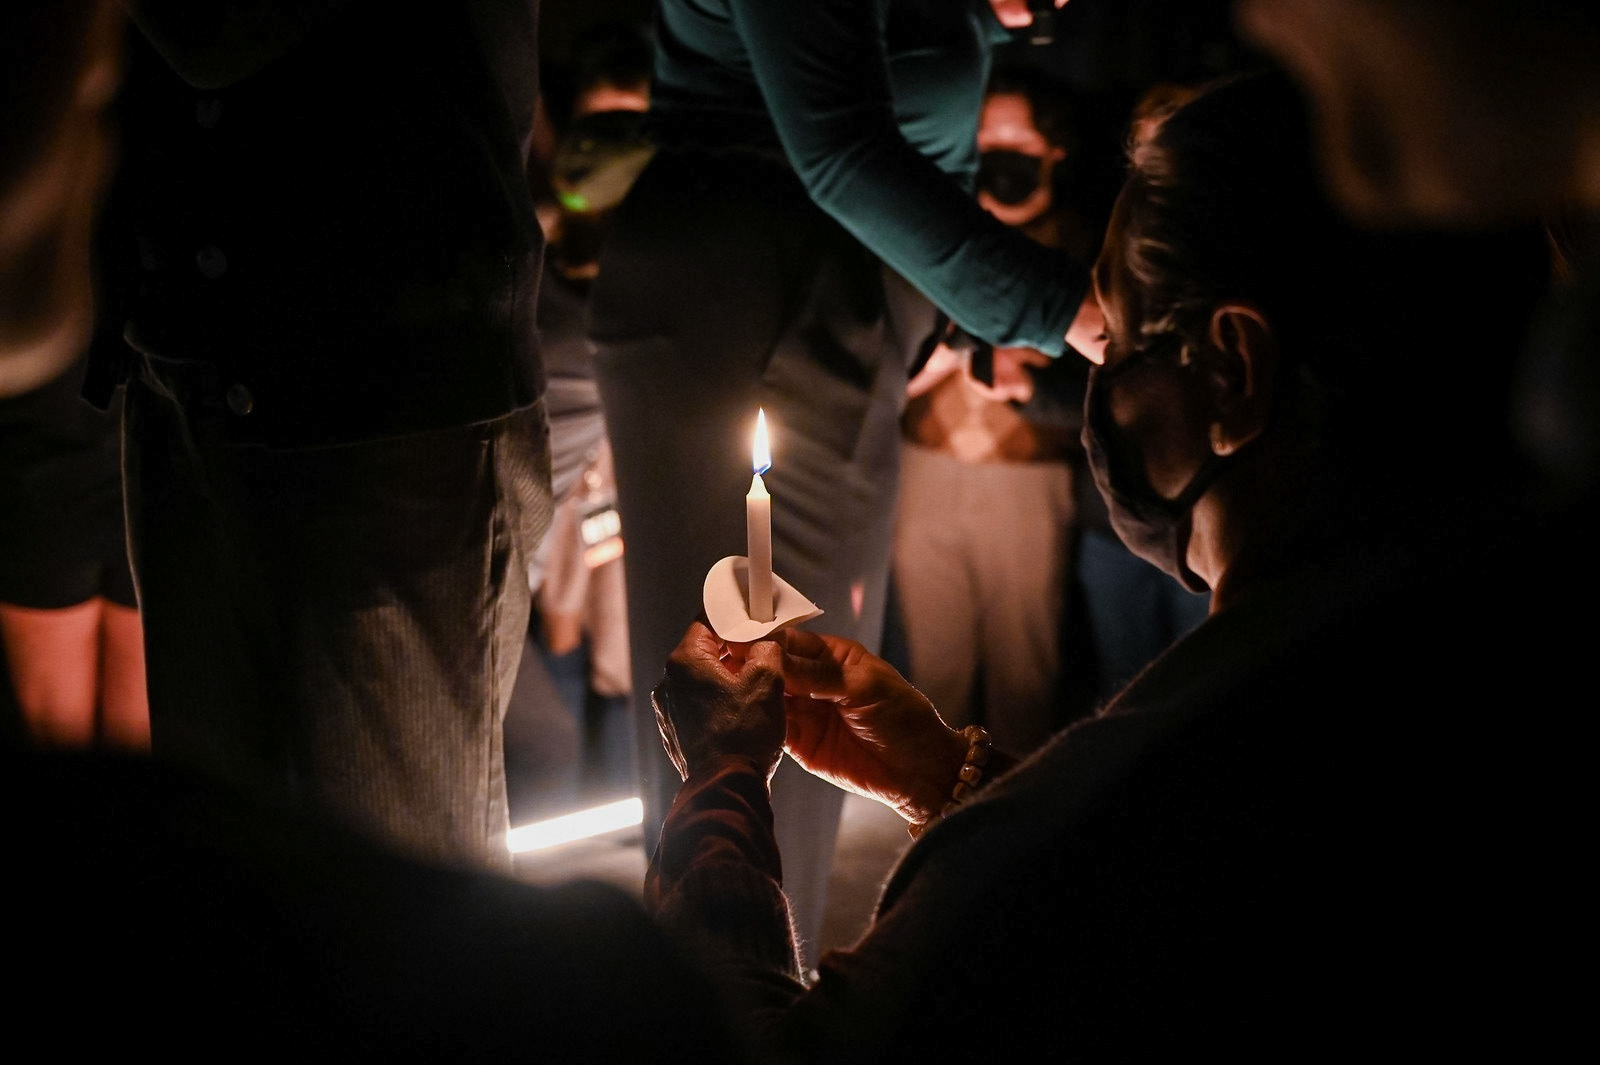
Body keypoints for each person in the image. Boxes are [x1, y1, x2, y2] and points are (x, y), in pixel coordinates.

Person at [643, 71, 1565, 1061]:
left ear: (1231, 371)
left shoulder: (1185, 775)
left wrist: (723, 786)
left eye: (1118, 339)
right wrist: (946, 776)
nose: (1099, 380)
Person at [588, 0, 1094, 969]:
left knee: (797, 721)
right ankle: (735, 1014)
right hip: (760, 307)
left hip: (830, 315)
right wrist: (1070, 308)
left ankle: (759, 1001)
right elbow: (840, 151)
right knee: (742, 715)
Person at [100, 1, 552, 870]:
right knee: (224, 875)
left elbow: (219, 33)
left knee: (400, 906)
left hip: (387, 378)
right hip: (186, 354)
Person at [891, 64, 1097, 753]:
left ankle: (1010, 836)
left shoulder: (1081, 253)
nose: (1000, 150)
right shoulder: (939, 236)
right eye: (987, 136)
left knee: (1024, 673)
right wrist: (938, 361)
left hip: (1029, 483)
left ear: (1053, 147)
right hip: (925, 474)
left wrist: (1031, 381)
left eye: (1017, 136)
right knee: (934, 679)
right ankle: (931, 828)